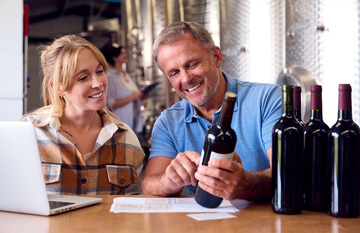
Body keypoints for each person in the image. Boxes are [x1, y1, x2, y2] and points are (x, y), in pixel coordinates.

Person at [142, 22, 282, 202]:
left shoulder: (267, 99)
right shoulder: (168, 122)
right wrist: (167, 181)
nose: (186, 79)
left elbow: (288, 174)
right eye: (174, 73)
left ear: (216, 57)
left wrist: (247, 184)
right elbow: (148, 185)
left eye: (191, 64)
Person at [20, 35, 145, 195]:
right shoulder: (29, 133)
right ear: (58, 87)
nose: (98, 83)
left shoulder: (126, 138)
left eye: (100, 71)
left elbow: (134, 210)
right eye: (83, 77)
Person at [104, 45, 148, 134]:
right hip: (120, 123)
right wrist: (133, 96)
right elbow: (110, 104)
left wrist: (141, 96)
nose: (126, 55)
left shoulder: (126, 74)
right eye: (122, 53)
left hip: (134, 119)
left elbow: (134, 95)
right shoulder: (110, 77)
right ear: (114, 58)